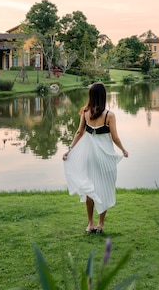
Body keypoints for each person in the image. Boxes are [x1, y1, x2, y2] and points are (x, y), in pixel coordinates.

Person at [63, 82, 129, 234]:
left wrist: (70, 150)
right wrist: (123, 150)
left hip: (90, 157)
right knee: (104, 188)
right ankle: (100, 224)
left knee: (90, 190)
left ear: (91, 96)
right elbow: (115, 138)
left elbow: (79, 133)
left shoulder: (85, 112)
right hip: (104, 158)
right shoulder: (109, 116)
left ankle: (90, 224)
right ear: (103, 96)